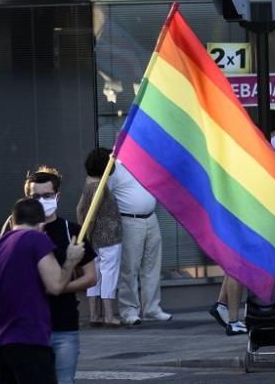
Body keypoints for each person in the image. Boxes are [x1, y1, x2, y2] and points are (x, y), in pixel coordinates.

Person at [0, 198, 86, 384]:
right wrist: (71, 261)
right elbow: (55, 286)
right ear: (42, 225)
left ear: (12, 222)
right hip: (30, 340)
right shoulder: (36, 239)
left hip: (0, 345)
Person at [19, 167, 97, 384]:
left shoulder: (72, 231)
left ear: (57, 196)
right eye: (36, 196)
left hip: (63, 325)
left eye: (47, 196)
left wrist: (58, 287)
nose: (42, 200)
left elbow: (91, 277)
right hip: (27, 327)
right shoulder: (16, 230)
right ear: (28, 198)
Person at [107, 159, 171, 326]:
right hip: (129, 221)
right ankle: (129, 311)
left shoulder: (145, 162)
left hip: (151, 218)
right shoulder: (114, 168)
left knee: (152, 266)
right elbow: (105, 196)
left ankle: (152, 308)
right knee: (130, 268)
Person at [75, 147, 123, 328]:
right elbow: (92, 214)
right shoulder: (100, 187)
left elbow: (80, 209)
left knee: (95, 275)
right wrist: (87, 234)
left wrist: (85, 234)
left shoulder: (88, 185)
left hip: (94, 239)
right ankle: (110, 316)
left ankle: (94, 315)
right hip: (109, 238)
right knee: (109, 274)